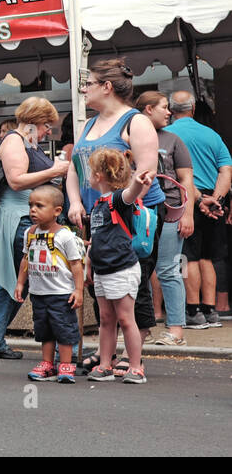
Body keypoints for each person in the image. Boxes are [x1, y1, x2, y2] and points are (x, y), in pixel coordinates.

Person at [65, 58, 164, 372]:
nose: (83, 89)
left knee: (134, 281)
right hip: (97, 214)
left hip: (130, 216)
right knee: (102, 283)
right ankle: (107, 352)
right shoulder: (90, 123)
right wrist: (74, 202)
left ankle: (133, 352)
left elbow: (146, 176)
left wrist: (118, 212)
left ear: (106, 87)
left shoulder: (136, 122)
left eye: (88, 83)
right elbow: (74, 167)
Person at [0, 97, 68, 359]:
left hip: (24, 217)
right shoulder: (15, 141)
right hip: (20, 218)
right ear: (34, 122)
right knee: (37, 279)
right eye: (46, 125)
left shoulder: (26, 141)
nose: (48, 131)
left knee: (16, 282)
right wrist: (55, 170)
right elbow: (16, 181)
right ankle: (61, 348)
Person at [81, 149, 153, 384]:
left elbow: (130, 195)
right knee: (105, 319)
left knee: (125, 318)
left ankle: (135, 366)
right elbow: (96, 239)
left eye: (91, 172)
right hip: (103, 269)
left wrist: (137, 183)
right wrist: (89, 263)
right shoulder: (99, 204)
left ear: (100, 175)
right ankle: (105, 364)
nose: (88, 176)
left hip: (121, 268)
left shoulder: (116, 199)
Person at [165, 90, 232, 329]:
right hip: (213, 203)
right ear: (193, 108)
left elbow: (182, 176)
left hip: (185, 200)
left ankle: (193, 311)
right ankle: (210, 310)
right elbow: (226, 170)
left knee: (190, 257)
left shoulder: (167, 135)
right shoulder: (212, 135)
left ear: (171, 110)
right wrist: (217, 198)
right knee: (209, 257)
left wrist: (201, 200)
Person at [135, 91, 196, 344]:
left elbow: (186, 180)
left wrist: (188, 214)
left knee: (169, 270)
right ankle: (143, 329)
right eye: (163, 107)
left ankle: (176, 330)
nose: (169, 112)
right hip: (138, 212)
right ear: (148, 109)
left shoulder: (173, 140)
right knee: (139, 271)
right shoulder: (131, 137)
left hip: (169, 211)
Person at [13, 186, 83, 384]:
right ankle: (47, 363)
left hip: (61, 292)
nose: (33, 210)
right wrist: (20, 283)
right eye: (31, 205)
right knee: (44, 329)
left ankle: (66, 363)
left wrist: (78, 290)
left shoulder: (65, 236)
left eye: (39, 206)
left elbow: (76, 264)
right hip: (38, 292)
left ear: (57, 211)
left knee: (64, 328)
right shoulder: (30, 232)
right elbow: (25, 259)